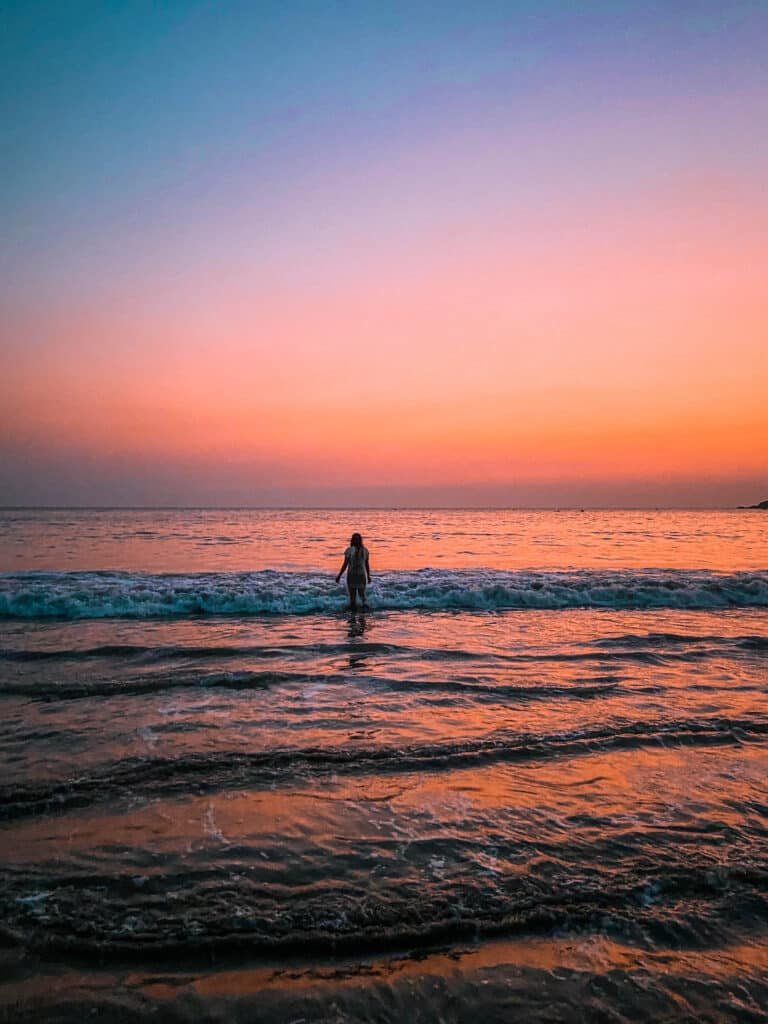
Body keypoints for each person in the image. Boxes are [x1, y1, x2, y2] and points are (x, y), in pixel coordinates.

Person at [335, 532, 371, 611]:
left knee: (357, 596)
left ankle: (356, 615)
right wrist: (339, 575)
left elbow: (366, 565)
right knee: (358, 596)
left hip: (356, 575)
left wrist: (368, 576)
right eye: (355, 539)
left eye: (356, 539)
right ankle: (361, 613)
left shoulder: (356, 550)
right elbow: (345, 564)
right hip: (357, 575)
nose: (356, 541)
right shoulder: (362, 550)